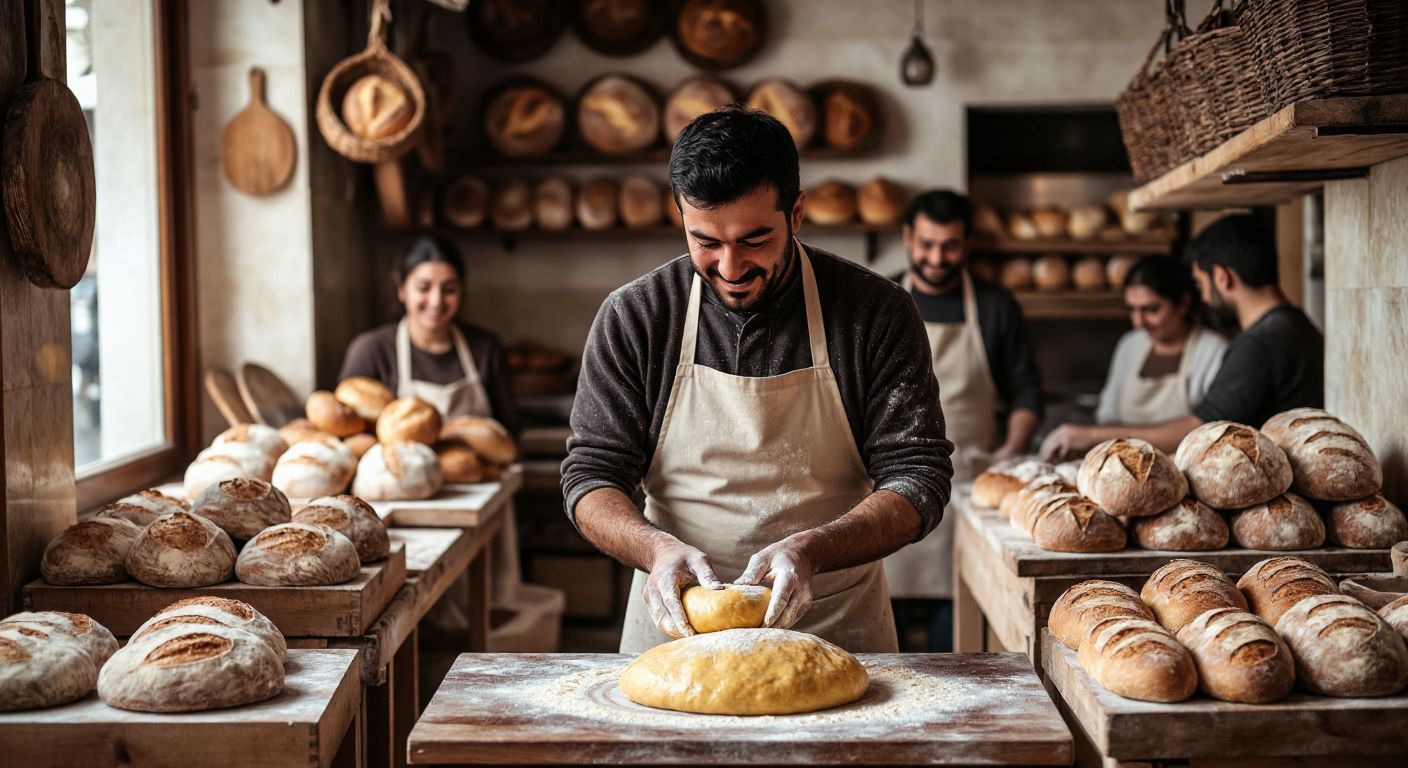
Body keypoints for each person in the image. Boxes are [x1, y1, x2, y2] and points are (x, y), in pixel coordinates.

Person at [561, 106, 955, 653]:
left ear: (795, 214)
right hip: (676, 635)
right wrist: (655, 551)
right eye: (705, 241)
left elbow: (919, 478)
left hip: (834, 628)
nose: (729, 267)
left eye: (753, 240)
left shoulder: (875, 312)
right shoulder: (637, 316)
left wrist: (814, 551)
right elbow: (590, 476)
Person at [883, 189, 1043, 652]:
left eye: (950, 246)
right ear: (909, 238)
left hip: (968, 493)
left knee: (955, 641)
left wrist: (1011, 451)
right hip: (887, 490)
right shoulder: (886, 300)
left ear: (967, 244)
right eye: (927, 244)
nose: (937, 257)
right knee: (886, 641)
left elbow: (1026, 391)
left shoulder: (995, 307)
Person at [1040, 214, 1323, 460]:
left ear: (1222, 277)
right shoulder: (1296, 326)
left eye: (1201, 284)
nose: (1204, 296)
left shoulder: (1258, 344)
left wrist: (1090, 436)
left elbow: (1202, 428)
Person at [338, 235, 521, 436]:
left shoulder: (486, 349)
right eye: (423, 288)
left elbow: (511, 431)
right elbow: (349, 431)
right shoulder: (371, 351)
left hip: (475, 467)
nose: (436, 301)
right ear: (401, 288)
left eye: (449, 289)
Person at [1092, 256, 1227, 426]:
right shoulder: (1130, 345)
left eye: (1150, 309)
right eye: (1131, 310)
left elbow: (1208, 425)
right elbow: (1107, 415)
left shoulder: (1212, 350)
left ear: (1183, 303)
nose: (1138, 322)